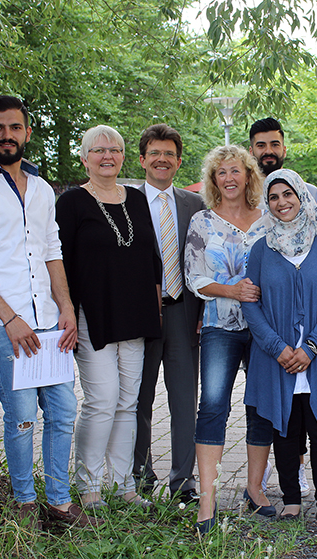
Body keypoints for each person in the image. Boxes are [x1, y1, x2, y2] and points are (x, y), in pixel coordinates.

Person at [0, 95, 99, 528]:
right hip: (0, 323)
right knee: (22, 417)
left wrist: (66, 307)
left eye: (14, 128)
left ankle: (58, 503)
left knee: (63, 410)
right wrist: (11, 319)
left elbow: (52, 251)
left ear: (27, 132)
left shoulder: (43, 189)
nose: (7, 136)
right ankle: (24, 505)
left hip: (49, 323)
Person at [55, 125, 161, 511]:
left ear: (122, 157)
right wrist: (66, 309)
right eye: (98, 150)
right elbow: (59, 263)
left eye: (114, 149)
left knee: (128, 403)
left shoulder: (135, 198)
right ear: (85, 158)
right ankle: (89, 487)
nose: (107, 156)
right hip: (92, 314)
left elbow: (151, 257)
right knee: (101, 399)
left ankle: (124, 485)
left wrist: (155, 303)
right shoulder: (70, 203)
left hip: (135, 314)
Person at [242, 169, 317, 535]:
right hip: (277, 359)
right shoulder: (261, 249)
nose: (282, 202)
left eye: (288, 194)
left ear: (302, 197)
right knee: (285, 431)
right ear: (267, 205)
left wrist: (311, 346)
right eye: (274, 197)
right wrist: (278, 348)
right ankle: (291, 500)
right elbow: (251, 305)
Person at [184, 145, 275, 534]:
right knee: (214, 406)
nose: (229, 178)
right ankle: (207, 499)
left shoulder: (268, 220)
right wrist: (232, 291)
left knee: (260, 406)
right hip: (220, 325)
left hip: (264, 329)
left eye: (236, 171)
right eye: (221, 173)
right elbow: (195, 278)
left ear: (248, 175)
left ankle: (254, 489)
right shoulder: (202, 222)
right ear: (213, 180)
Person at [132, 124, 205, 502]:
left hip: (183, 312)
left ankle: (184, 482)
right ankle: (139, 476)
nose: (162, 160)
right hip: (140, 314)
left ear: (178, 162)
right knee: (138, 398)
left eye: (169, 154)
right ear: (143, 159)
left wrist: (203, 311)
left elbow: (206, 261)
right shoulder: (125, 202)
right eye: (154, 153)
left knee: (183, 400)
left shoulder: (196, 205)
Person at [249, 117, 317, 210]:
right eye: (261, 146)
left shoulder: (310, 193)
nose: (269, 151)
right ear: (251, 152)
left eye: (275, 145)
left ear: (284, 150)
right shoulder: (243, 197)